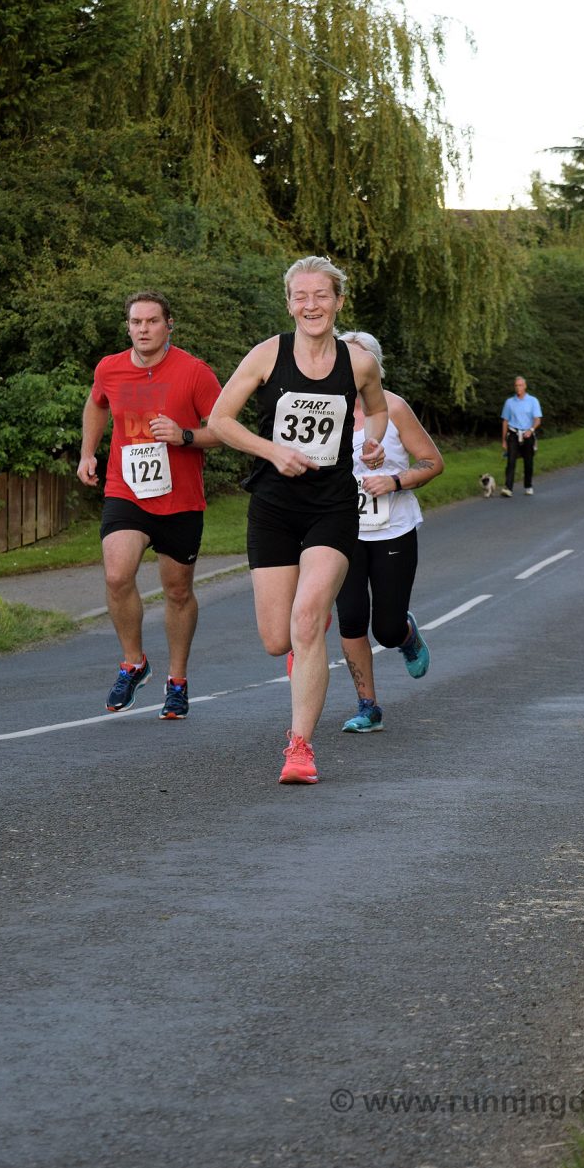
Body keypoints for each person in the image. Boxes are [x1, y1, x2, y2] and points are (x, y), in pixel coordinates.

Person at [207, 256, 388, 784]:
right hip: (274, 508)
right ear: (289, 303)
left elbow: (377, 409)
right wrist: (272, 451)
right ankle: (309, 623)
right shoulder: (268, 354)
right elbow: (219, 419)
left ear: (338, 301)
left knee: (305, 619)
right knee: (276, 638)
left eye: (321, 295)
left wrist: (373, 442)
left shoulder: (358, 363)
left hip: (332, 506)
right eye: (301, 296)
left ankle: (300, 748)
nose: (311, 305)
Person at [77, 290, 222, 719]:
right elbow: (96, 404)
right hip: (126, 491)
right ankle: (133, 663)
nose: (143, 329)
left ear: (168, 325)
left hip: (180, 498)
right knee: (117, 574)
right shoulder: (110, 368)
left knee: (177, 591)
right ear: (128, 327)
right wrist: (88, 453)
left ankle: (177, 681)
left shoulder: (195, 373)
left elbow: (225, 429)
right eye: (136, 322)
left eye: (152, 321)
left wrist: (184, 436)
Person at [334, 332, 444, 733]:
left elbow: (432, 462)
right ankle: (368, 706)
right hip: (343, 530)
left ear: (374, 367)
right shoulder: (331, 410)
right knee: (351, 619)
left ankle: (406, 635)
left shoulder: (394, 407)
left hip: (393, 529)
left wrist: (394, 481)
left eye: (359, 361)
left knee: (386, 628)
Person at [500, 375, 542, 497]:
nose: (518, 388)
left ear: (525, 386)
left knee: (528, 461)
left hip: (527, 434)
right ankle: (508, 488)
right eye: (516, 385)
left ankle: (528, 486)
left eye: (520, 385)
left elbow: (537, 419)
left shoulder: (533, 401)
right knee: (511, 461)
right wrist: (503, 440)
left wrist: (531, 429)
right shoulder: (509, 402)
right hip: (513, 434)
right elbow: (505, 421)